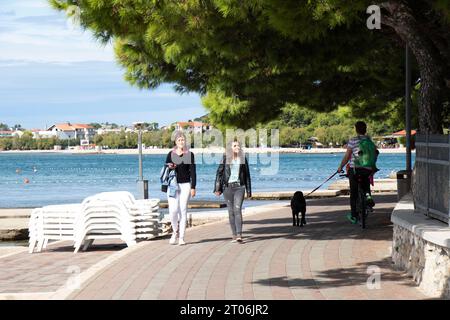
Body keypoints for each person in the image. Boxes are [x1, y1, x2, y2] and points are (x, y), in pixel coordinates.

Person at [337, 121, 378, 224]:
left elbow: (347, 156)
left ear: (356, 129)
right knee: (366, 184)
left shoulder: (353, 141)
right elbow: (375, 153)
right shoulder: (369, 141)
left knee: (354, 193)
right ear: (365, 129)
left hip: (355, 169)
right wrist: (372, 166)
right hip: (367, 169)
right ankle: (368, 197)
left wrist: (340, 167)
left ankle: (353, 215)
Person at [214, 139, 252, 243]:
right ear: (230, 148)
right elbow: (219, 173)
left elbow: (247, 176)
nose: (237, 147)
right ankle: (234, 235)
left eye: (238, 146)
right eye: (235, 146)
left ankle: (239, 235)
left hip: (240, 187)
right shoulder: (225, 158)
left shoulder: (243, 159)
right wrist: (217, 188)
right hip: (227, 188)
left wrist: (249, 191)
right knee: (230, 212)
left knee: (237, 209)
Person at [165, 131, 196, 245]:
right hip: (172, 185)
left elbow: (193, 172)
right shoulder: (171, 154)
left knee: (183, 210)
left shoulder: (189, 154)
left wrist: (193, 187)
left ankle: (182, 237)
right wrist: (171, 166)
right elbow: (165, 170)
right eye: (179, 140)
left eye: (183, 140)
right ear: (175, 142)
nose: (181, 142)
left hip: (185, 185)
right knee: (173, 211)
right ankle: (175, 232)